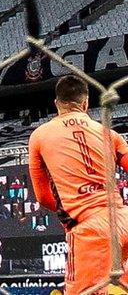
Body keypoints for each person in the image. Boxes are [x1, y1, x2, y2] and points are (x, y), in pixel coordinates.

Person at [28, 75, 128, 295]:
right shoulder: (109, 134)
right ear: (85, 103)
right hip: (124, 219)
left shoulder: (40, 136)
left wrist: (69, 209)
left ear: (56, 103)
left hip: (89, 229)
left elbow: (43, 197)